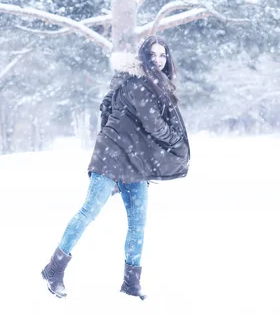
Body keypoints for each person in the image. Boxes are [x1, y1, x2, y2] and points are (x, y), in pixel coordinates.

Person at [41, 35, 191, 300]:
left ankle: (131, 284)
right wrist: (176, 140)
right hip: (111, 156)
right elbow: (154, 125)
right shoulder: (140, 84)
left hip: (134, 160)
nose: (158, 59)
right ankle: (54, 269)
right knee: (89, 211)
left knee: (138, 224)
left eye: (162, 55)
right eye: (153, 54)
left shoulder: (149, 84)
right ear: (144, 56)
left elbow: (110, 111)